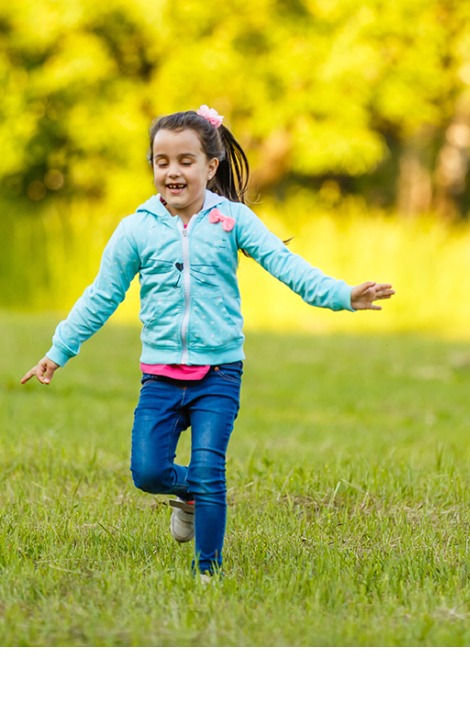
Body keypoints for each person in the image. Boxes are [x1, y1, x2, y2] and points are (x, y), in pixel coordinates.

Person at [21, 105, 395, 579]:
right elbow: (101, 295)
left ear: (210, 166)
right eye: (162, 161)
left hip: (219, 372)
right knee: (148, 472)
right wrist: (59, 350)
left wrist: (342, 295)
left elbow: (287, 265)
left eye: (185, 161)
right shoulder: (136, 229)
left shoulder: (232, 220)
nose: (172, 171)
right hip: (160, 374)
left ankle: (208, 573)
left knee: (210, 467)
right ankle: (189, 493)